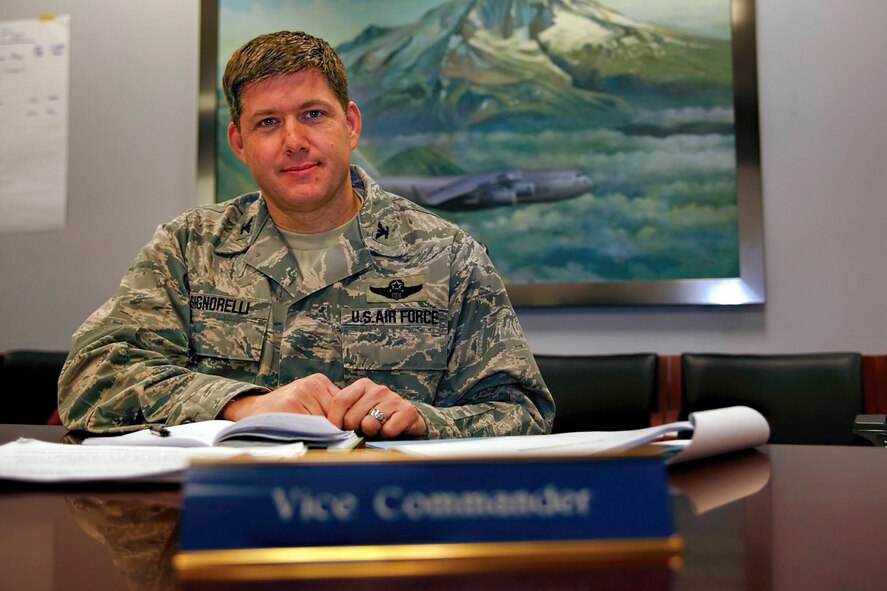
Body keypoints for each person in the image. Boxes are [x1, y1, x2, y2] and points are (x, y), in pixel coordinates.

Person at [57, 30, 553, 439]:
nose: (294, 141)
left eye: (313, 115)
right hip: (225, 525)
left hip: (389, 527)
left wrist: (425, 420)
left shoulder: (447, 256)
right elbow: (92, 380)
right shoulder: (188, 249)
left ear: (350, 124)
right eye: (268, 122)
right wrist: (241, 405)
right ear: (239, 143)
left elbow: (523, 414)